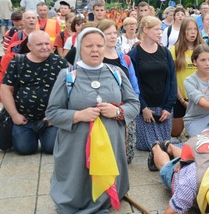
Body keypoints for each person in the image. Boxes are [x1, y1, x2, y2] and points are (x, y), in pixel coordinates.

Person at [46, 27, 140, 213]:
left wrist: (117, 112)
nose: (95, 50)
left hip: (110, 142)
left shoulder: (116, 73)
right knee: (79, 177)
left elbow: (134, 104)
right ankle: (77, 200)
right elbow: (52, 112)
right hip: (76, 145)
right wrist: (78, 115)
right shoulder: (67, 76)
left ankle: (106, 198)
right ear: (80, 48)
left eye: (99, 45)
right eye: (89, 46)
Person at [0, 31, 68, 155]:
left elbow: (72, 88)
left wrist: (57, 116)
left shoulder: (60, 63)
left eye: (47, 43)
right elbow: (5, 89)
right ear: (30, 46)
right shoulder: (18, 62)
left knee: (51, 148)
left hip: (51, 118)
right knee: (24, 149)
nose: (45, 47)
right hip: (24, 118)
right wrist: (15, 115)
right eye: (39, 44)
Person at [127, 16, 177, 151]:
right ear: (145, 30)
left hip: (164, 110)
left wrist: (169, 107)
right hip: (144, 111)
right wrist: (143, 108)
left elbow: (172, 79)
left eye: (160, 29)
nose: (160, 32)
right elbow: (132, 84)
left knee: (166, 146)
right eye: (156, 29)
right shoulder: (134, 54)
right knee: (148, 147)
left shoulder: (165, 53)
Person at [98, 19, 140, 163]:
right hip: (103, 110)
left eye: (114, 33)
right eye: (107, 33)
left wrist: (132, 106)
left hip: (125, 109)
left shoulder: (125, 59)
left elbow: (134, 86)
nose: (112, 36)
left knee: (126, 157)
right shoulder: (96, 60)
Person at [170, 17, 205, 137]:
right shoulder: (174, 50)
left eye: (195, 29)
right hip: (181, 97)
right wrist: (181, 100)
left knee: (196, 134)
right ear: (183, 31)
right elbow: (172, 77)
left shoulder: (203, 48)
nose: (193, 32)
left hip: (200, 98)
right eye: (189, 29)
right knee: (176, 132)